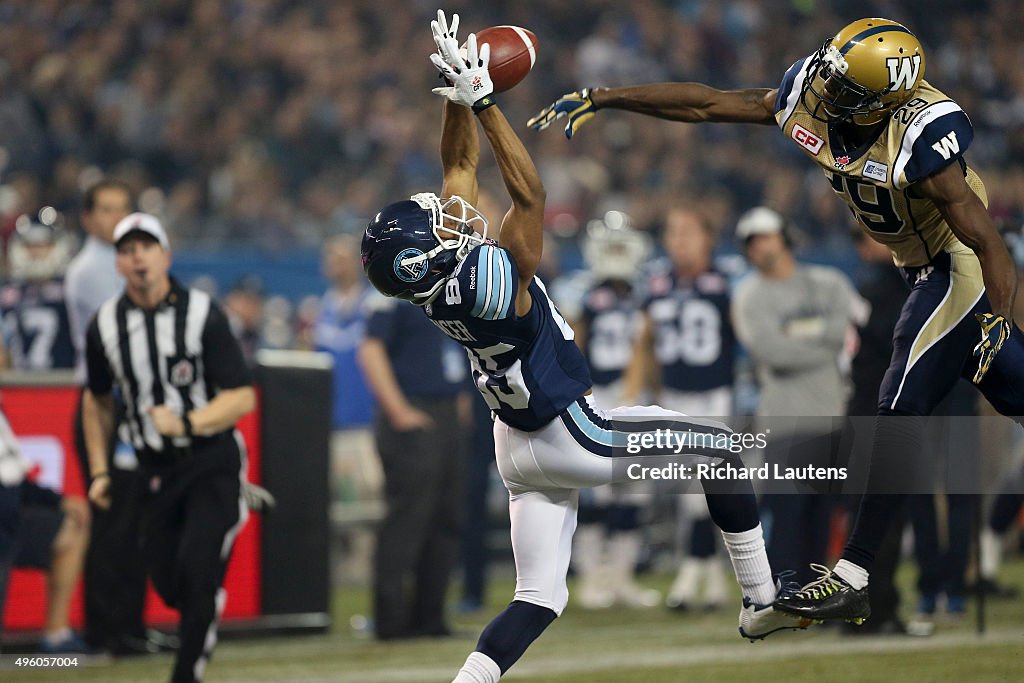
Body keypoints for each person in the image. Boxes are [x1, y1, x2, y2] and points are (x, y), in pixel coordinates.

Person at [360, 11, 810, 682]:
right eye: (435, 221)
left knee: (538, 596)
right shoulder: (487, 279)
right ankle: (760, 599)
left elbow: (457, 165)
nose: (448, 210)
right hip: (571, 433)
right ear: (426, 254)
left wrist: (457, 96)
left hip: (515, 450)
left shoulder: (431, 284)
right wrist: (484, 104)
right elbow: (530, 194)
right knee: (722, 449)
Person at [530, 16, 1024, 624]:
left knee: (898, 405)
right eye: (836, 77)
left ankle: (854, 575)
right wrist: (607, 97)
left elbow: (988, 242)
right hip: (916, 267)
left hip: (955, 265)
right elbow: (711, 105)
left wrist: (998, 317)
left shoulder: (923, 134)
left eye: (851, 89)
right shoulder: (815, 89)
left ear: (889, 97)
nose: (831, 92)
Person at [82, 212, 255, 683]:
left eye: (146, 246)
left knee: (198, 576)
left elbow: (241, 396)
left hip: (210, 459)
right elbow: (95, 400)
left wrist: (187, 422)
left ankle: (186, 675)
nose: (137, 256)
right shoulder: (105, 325)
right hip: (151, 469)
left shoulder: (201, 312)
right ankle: (199, 601)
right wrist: (99, 471)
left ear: (165, 256)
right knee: (168, 582)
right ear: (117, 263)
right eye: (127, 249)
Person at [731, 207, 856, 586]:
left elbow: (841, 334)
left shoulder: (827, 281)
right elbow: (773, 354)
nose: (762, 247)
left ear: (785, 235)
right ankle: (785, 593)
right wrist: (822, 343)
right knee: (787, 516)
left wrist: (799, 338)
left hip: (832, 415)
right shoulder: (749, 294)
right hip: (785, 422)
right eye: (753, 242)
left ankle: (814, 595)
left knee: (822, 518)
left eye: (767, 236)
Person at [622, 207, 736, 611]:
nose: (679, 240)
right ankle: (711, 576)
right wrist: (637, 392)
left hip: (717, 395)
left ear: (708, 236)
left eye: (687, 230)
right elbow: (644, 343)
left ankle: (694, 572)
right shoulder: (656, 283)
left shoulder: (726, 280)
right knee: (692, 491)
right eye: (672, 231)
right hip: (675, 396)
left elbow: (744, 334)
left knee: (702, 491)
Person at [63, 178, 159, 654]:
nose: (115, 219)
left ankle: (131, 625)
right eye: (105, 210)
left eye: (123, 209)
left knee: (136, 516)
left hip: (129, 403)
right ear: (87, 218)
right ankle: (108, 630)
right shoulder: (92, 270)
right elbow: (127, 333)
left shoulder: (119, 263)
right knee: (114, 521)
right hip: (106, 406)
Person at [358, 285, 470, 640]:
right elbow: (371, 349)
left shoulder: (448, 286)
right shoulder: (395, 287)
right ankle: (390, 621)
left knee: (446, 518)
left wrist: (461, 398)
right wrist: (398, 409)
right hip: (412, 408)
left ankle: (430, 617)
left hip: (446, 411)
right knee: (408, 518)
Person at [569, 212, 659, 610]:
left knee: (633, 493)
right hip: (594, 396)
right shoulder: (580, 292)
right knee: (594, 493)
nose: (618, 255)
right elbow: (573, 347)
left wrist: (638, 393)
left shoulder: (643, 295)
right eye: (612, 247)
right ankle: (592, 576)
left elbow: (647, 349)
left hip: (631, 397)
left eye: (623, 246)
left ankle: (620, 577)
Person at [312, 235, 379, 584]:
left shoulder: (374, 305)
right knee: (337, 502)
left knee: (370, 499)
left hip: (366, 422)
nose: (334, 264)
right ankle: (338, 575)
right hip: (332, 423)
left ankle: (366, 572)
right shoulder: (321, 308)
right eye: (330, 257)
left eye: (340, 257)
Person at [0, 405, 90, 654]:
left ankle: (56, 634)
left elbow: (12, 478)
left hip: (10, 524)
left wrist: (59, 500)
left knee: (70, 526)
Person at [0, 211, 75, 371]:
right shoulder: (6, 293)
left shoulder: (72, 290)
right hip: (16, 386)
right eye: (30, 246)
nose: (36, 252)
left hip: (63, 384)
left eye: (43, 245)